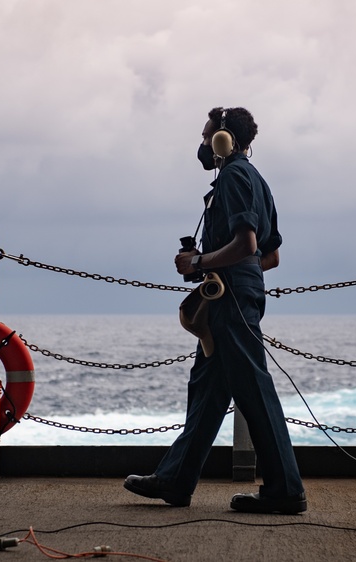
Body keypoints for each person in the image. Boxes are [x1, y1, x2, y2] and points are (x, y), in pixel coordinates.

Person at [123, 107, 306, 514]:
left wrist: (199, 263)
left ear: (224, 140)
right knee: (207, 390)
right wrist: (225, 266)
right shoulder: (257, 180)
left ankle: (286, 490)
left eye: (206, 137)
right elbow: (269, 255)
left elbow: (246, 244)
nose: (203, 145)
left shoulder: (235, 176)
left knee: (254, 390)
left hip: (231, 303)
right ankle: (176, 479)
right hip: (232, 295)